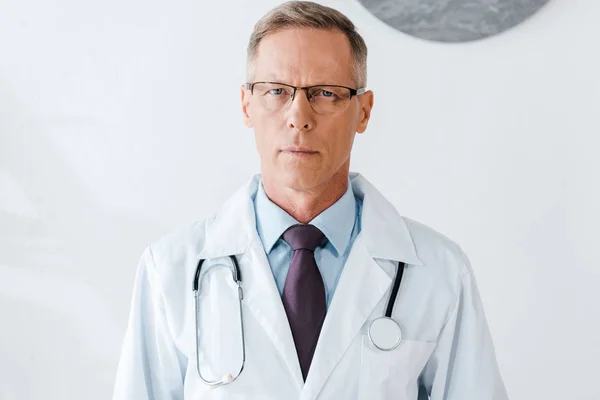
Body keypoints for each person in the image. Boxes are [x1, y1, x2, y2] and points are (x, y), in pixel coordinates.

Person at [112, 1, 509, 399]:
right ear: (246, 104)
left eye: (326, 93)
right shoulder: (171, 270)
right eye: (277, 91)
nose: (299, 116)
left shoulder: (437, 271)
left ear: (364, 112)